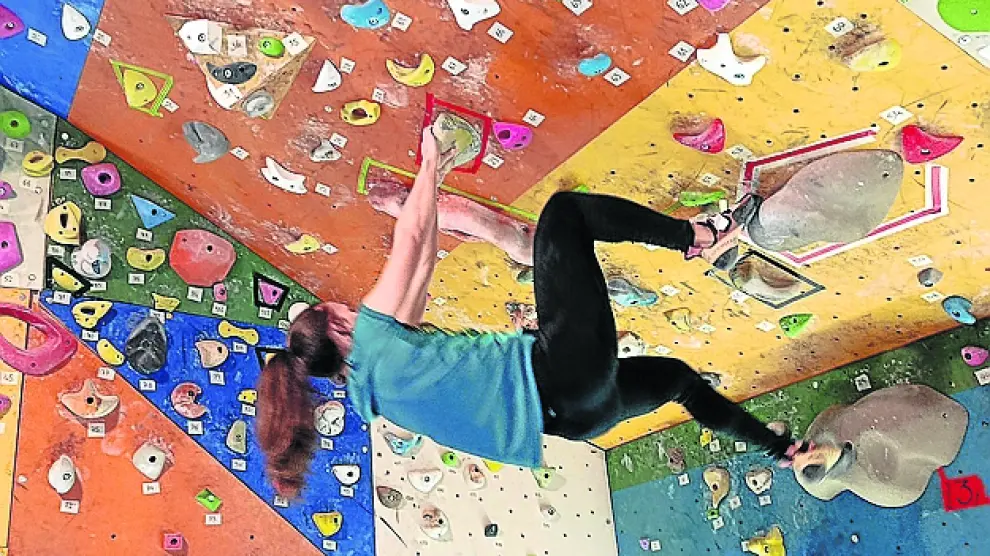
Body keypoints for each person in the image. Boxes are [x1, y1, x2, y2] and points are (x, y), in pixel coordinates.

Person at [257, 123, 796, 496]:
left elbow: (419, 265)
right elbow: (413, 236)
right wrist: (429, 161)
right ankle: (698, 237)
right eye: (346, 310)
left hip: (579, 419)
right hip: (561, 372)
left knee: (679, 381)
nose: (358, 309)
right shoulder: (374, 342)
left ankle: (782, 448)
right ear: (336, 324)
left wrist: (434, 183)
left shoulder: (376, 390)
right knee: (564, 215)